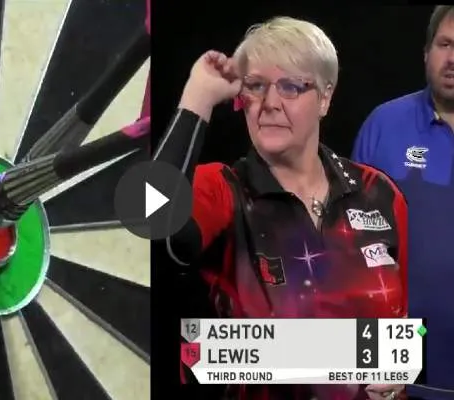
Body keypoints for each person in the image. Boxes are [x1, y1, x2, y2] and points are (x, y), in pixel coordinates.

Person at [154, 16, 408, 400]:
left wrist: (398, 370)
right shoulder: (221, 188)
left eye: (291, 86)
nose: (270, 103)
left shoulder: (379, 193)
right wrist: (197, 98)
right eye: (255, 86)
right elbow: (148, 222)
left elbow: (403, 328)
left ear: (325, 97)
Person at [352, 6, 454, 400]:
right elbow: (348, 247)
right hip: (397, 372)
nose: (452, 58)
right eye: (445, 44)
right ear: (426, 52)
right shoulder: (384, 125)